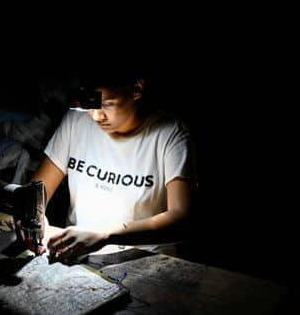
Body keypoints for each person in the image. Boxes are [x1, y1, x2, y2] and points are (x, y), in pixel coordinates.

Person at [16, 70, 196, 263]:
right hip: (77, 256)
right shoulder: (77, 120)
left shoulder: (169, 134)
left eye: (108, 104)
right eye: (90, 104)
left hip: (142, 260)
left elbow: (182, 220)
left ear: (137, 89)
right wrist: (32, 217)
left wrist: (106, 234)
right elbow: (34, 193)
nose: (96, 116)